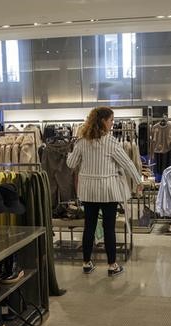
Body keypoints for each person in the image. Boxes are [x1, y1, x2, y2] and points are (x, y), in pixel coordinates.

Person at [66, 107, 141, 277]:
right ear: (102, 121)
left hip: (88, 191)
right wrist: (138, 181)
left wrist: (70, 153)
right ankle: (112, 265)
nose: (112, 124)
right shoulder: (111, 142)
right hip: (108, 191)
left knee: (89, 227)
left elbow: (70, 164)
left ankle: (86, 263)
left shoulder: (81, 142)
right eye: (111, 121)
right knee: (109, 229)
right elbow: (128, 163)